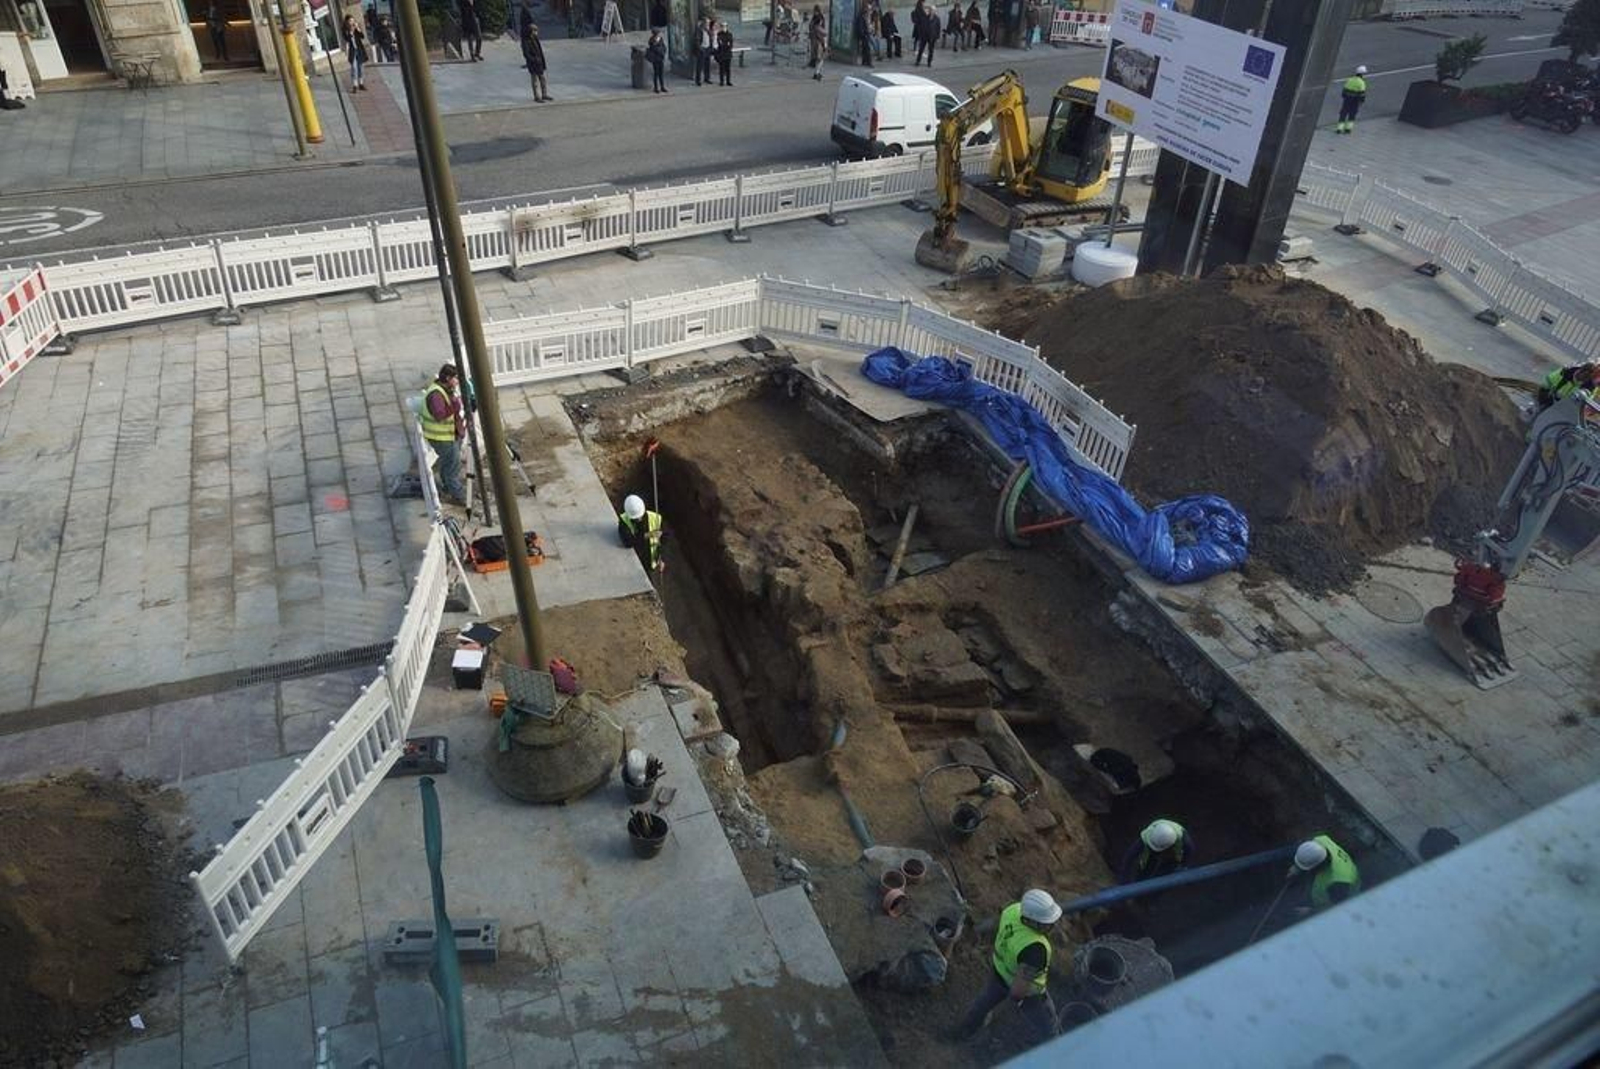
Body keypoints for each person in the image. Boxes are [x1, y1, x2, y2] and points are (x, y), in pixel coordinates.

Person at [956, 890, 1061, 1044]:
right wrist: (1014, 1005)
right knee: (1047, 1025)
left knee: (982, 1004)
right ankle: (1056, 1048)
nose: (1053, 925)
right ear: (1032, 921)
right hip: (1030, 993)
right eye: (1047, 923)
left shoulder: (1013, 910)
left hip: (999, 972)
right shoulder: (1035, 949)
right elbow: (1018, 992)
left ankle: (963, 1032)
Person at [421, 365, 467, 505]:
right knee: (452, 467)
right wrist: (455, 406)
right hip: (442, 437)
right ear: (448, 378)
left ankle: (447, 488)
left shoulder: (445, 389)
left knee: (448, 464)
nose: (458, 381)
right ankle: (459, 496)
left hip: (449, 435)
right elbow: (440, 415)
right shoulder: (436, 395)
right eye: (455, 378)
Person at [1292, 835, 1361, 911]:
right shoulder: (1320, 840)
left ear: (1318, 866)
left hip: (1332, 900)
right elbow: (1307, 852)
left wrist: (1311, 911)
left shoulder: (1339, 883)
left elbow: (1337, 908)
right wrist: (1298, 866)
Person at [1118, 818, 1194, 884]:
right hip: (1152, 850)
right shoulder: (1147, 837)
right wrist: (1124, 879)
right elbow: (1129, 857)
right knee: (1148, 865)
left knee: (1168, 870)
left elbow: (1189, 852)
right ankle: (1141, 883)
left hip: (1172, 853)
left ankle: (1157, 889)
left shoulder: (1184, 840)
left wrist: (1184, 865)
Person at [618, 494, 665, 572]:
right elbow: (628, 542)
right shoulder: (624, 521)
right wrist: (648, 535)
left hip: (649, 560)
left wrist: (660, 557)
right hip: (634, 562)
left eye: (640, 516)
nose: (639, 519)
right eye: (636, 518)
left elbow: (664, 539)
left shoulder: (655, 518)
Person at [521, 18, 550, 101]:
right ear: (531, 31)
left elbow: (540, 51)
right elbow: (526, 54)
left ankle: (544, 94)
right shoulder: (526, 41)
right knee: (535, 80)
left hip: (539, 62)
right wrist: (534, 59)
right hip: (533, 63)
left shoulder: (536, 39)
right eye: (535, 31)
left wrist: (542, 61)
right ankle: (537, 96)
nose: (536, 32)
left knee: (542, 79)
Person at [1336, 65, 1368, 134]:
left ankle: (1339, 128)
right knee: (1352, 114)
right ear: (1362, 74)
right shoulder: (1361, 82)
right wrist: (1362, 101)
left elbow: (1344, 90)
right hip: (1355, 101)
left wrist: (1345, 97)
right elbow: (1362, 94)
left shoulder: (1350, 79)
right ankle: (1348, 129)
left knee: (1343, 113)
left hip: (1347, 99)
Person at [342, 14, 369, 91]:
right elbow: (347, 39)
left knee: (360, 67)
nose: (352, 22)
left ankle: (361, 83)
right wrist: (351, 32)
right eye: (350, 21)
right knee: (354, 67)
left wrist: (358, 29)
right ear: (347, 22)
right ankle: (355, 85)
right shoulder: (345, 30)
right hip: (352, 51)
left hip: (359, 50)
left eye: (353, 20)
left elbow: (362, 36)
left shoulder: (356, 28)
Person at [911, 0, 935, 66]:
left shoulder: (934, 17)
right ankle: (918, 61)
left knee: (930, 49)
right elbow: (916, 21)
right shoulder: (921, 14)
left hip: (930, 34)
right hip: (924, 33)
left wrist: (936, 36)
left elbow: (936, 27)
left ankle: (929, 62)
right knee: (921, 48)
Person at [693, 16, 713, 86]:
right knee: (700, 66)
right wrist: (700, 48)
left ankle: (707, 78)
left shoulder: (708, 30)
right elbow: (697, 40)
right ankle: (698, 80)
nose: (708, 24)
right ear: (703, 23)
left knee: (707, 65)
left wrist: (710, 47)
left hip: (707, 48)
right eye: (707, 23)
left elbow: (711, 38)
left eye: (709, 23)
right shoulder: (699, 30)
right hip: (702, 49)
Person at [646, 27, 668, 92]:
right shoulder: (652, 40)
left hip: (661, 58)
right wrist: (660, 50)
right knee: (656, 73)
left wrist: (663, 51)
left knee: (661, 73)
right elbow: (654, 48)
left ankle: (662, 86)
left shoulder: (660, 39)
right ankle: (656, 87)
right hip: (655, 59)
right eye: (658, 33)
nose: (659, 34)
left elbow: (664, 47)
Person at [808, 6, 827, 78]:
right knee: (820, 59)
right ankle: (816, 73)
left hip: (814, 42)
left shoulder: (813, 21)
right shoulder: (818, 23)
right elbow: (823, 33)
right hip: (818, 42)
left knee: (818, 58)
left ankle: (817, 72)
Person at [715, 20, 734, 84]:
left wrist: (726, 45)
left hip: (728, 53)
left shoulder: (730, 34)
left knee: (728, 68)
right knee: (721, 68)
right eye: (722, 26)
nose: (724, 27)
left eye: (725, 26)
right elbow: (719, 43)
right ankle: (721, 81)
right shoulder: (719, 34)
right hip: (721, 53)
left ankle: (728, 81)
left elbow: (730, 43)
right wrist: (725, 44)